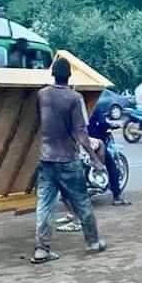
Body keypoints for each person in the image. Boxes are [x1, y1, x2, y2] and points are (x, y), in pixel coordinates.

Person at [32, 57, 107, 263]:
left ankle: (41, 249)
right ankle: (92, 242)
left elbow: (39, 120)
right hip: (67, 159)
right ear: (70, 76)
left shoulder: (42, 95)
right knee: (82, 202)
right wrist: (95, 160)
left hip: (46, 159)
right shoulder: (74, 98)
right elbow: (81, 133)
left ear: (53, 74)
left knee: (45, 205)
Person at [87, 100, 131, 206]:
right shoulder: (93, 108)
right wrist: (110, 125)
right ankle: (117, 196)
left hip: (77, 142)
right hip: (93, 143)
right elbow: (102, 124)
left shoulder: (76, 106)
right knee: (111, 165)